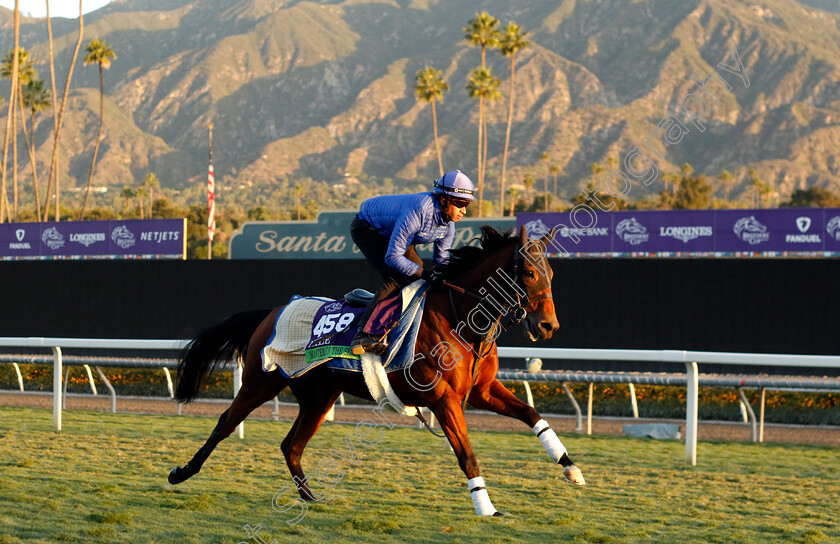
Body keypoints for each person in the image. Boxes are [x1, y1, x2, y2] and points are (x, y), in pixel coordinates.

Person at [349, 170, 476, 355]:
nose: (464, 210)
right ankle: (364, 335)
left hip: (393, 232)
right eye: (460, 204)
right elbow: (392, 257)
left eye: (467, 205)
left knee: (421, 280)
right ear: (443, 200)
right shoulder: (419, 211)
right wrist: (424, 273)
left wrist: (442, 276)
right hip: (368, 228)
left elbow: (440, 263)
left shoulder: (449, 226)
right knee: (397, 278)